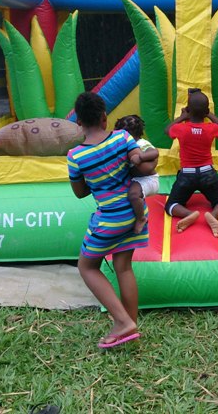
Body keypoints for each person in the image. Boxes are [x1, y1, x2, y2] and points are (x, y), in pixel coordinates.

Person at [67, 92, 148, 349]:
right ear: (105, 117)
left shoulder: (76, 156)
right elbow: (138, 163)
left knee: (87, 267)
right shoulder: (123, 137)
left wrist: (96, 179)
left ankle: (122, 322)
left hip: (110, 218)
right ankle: (129, 326)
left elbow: (80, 192)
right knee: (124, 268)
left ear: (79, 122)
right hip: (135, 213)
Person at [164, 88, 218, 237]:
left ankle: (189, 214)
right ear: (206, 111)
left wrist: (182, 117)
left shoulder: (181, 129)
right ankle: (213, 216)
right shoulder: (210, 128)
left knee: (171, 205)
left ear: (188, 110)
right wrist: (209, 114)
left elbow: (167, 130)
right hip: (208, 173)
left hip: (187, 175)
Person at [114, 114, 160, 234]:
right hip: (136, 179)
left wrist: (140, 157)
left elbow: (154, 153)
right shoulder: (122, 147)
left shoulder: (141, 144)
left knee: (133, 195)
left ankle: (141, 218)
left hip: (148, 179)